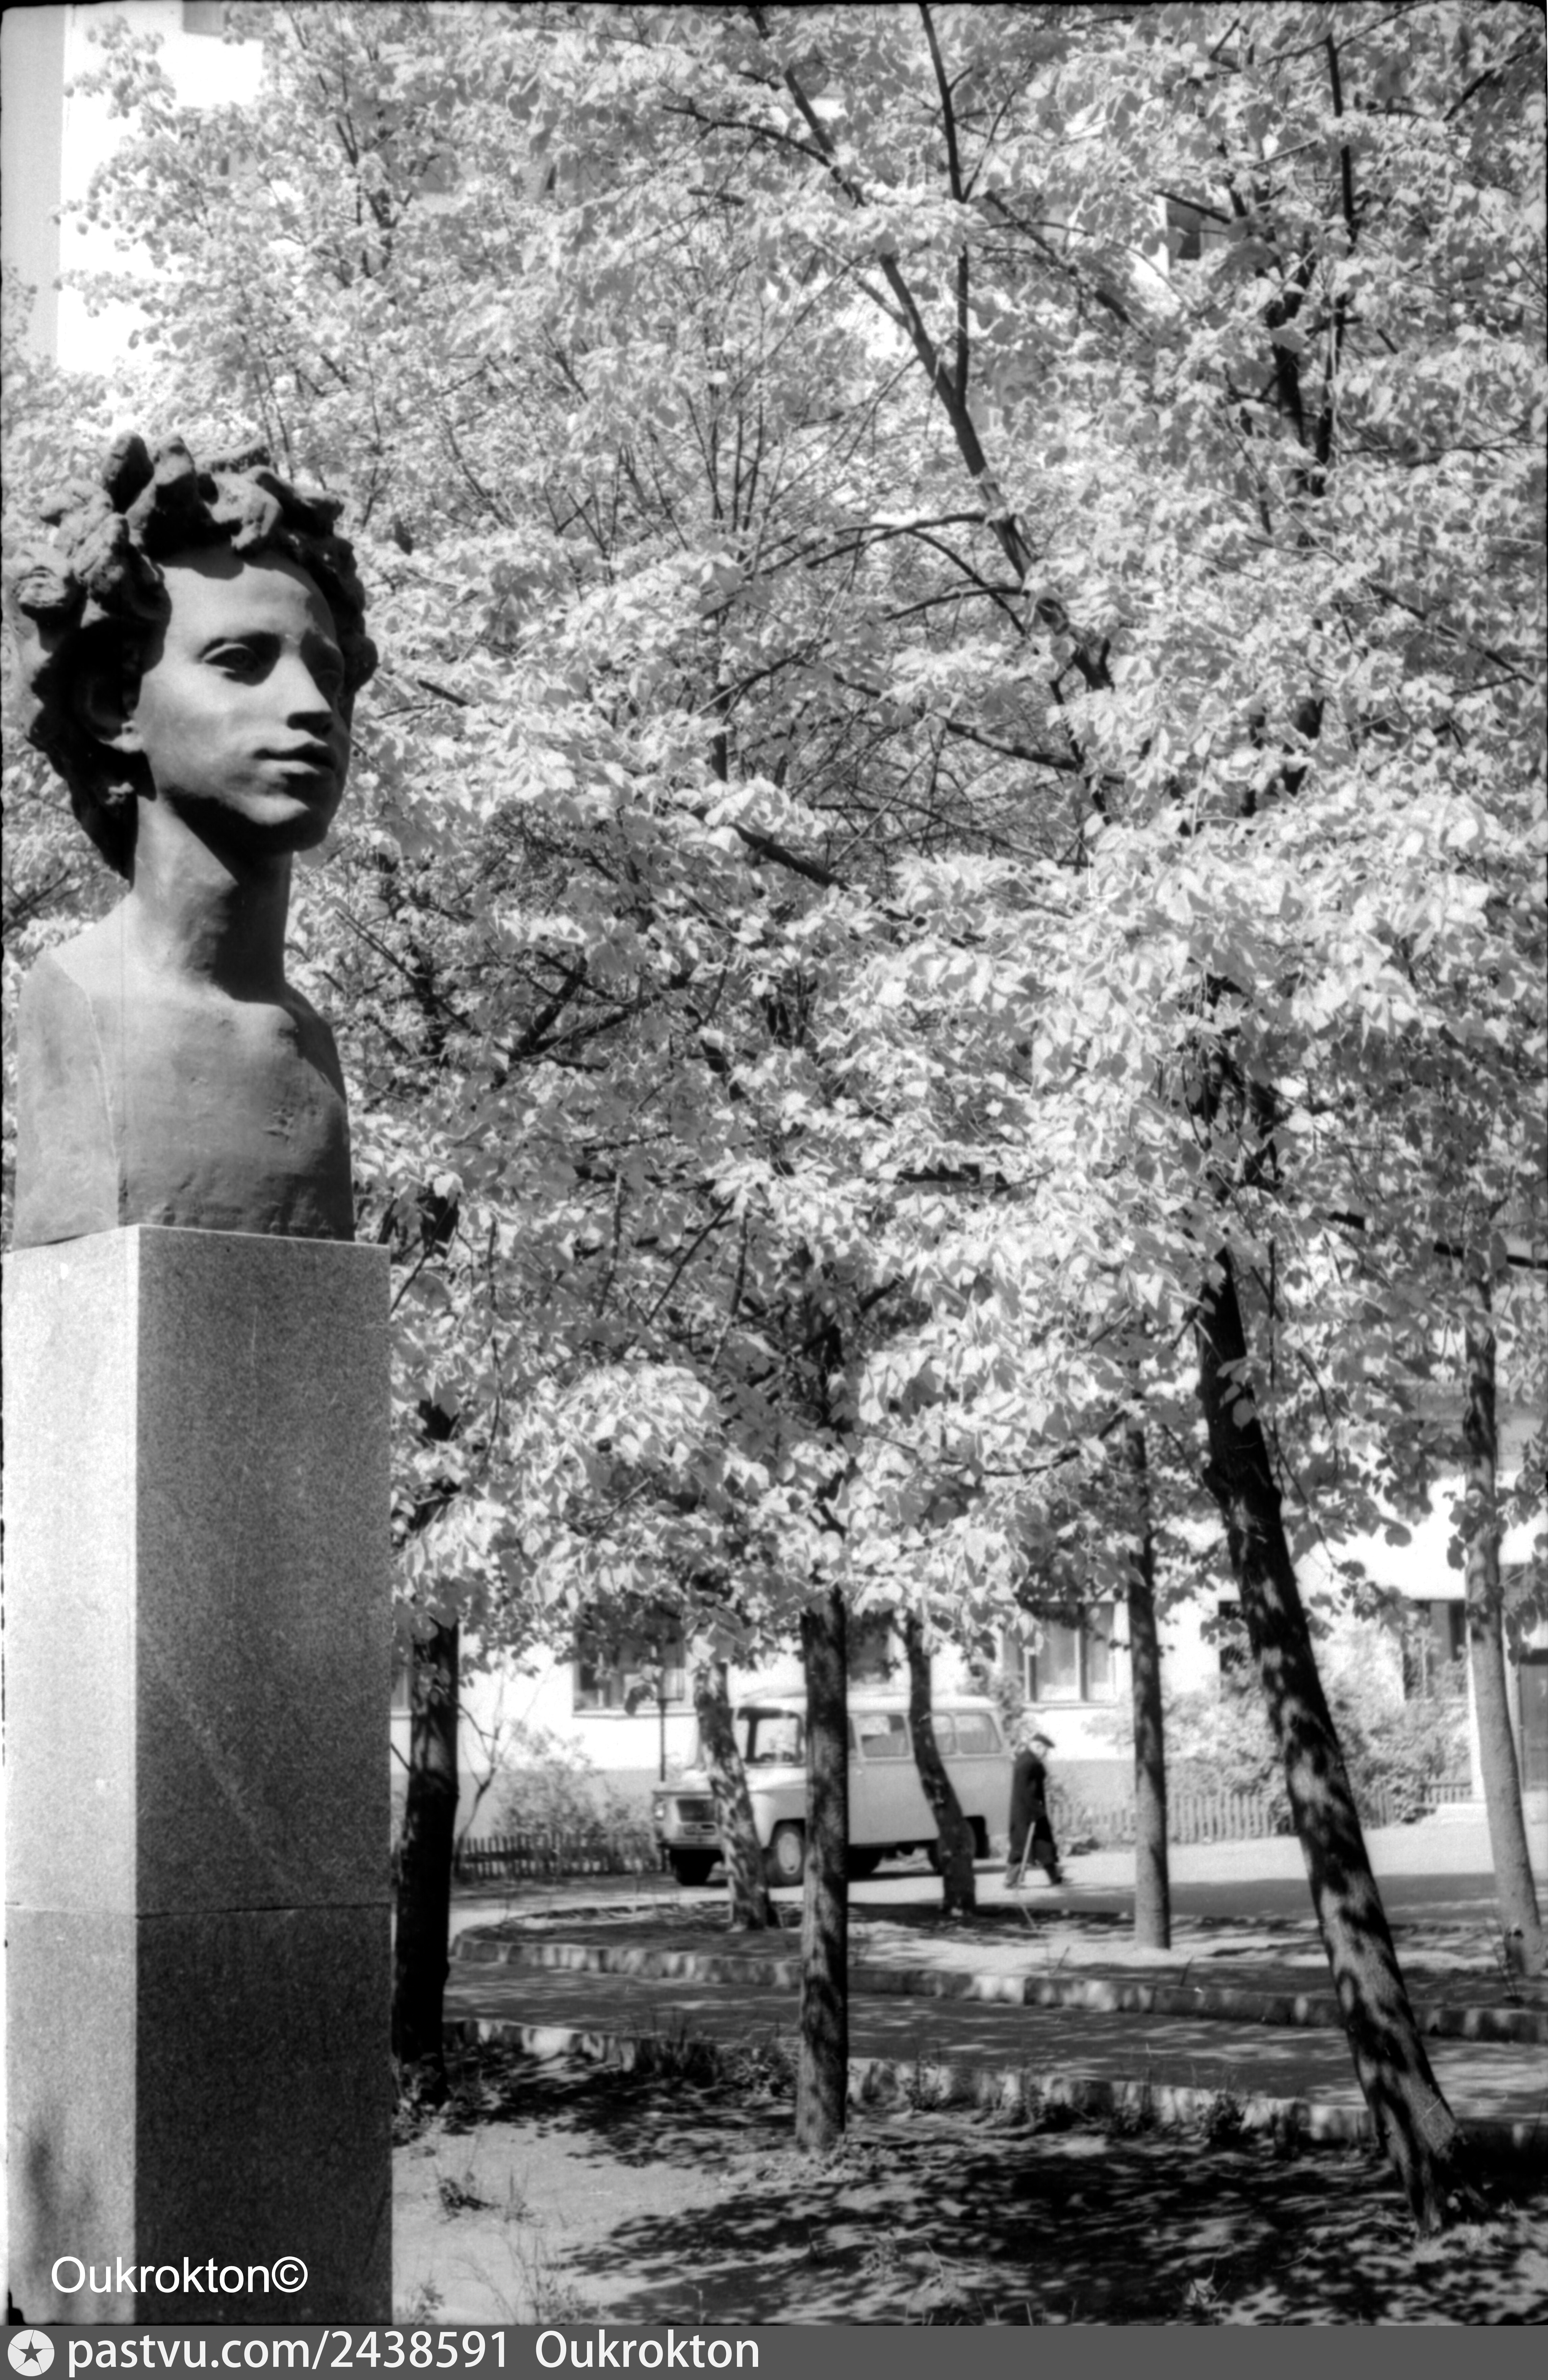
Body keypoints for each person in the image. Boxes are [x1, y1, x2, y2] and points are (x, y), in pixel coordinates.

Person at [4, 431, 377, 1247]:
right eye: (241, 661)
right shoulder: (80, 1002)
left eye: (329, 675)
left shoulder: (310, 1046)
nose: (314, 706)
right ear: (114, 706)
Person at [1005, 1728, 1063, 1886]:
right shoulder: (1028, 1763)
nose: (1046, 1754)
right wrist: (1037, 1812)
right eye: (1045, 1750)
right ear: (1038, 1747)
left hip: (1031, 1810)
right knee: (1023, 1846)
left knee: (1044, 1845)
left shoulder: (1027, 1760)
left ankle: (1054, 1876)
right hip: (1028, 1812)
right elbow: (1025, 1791)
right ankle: (1012, 1880)